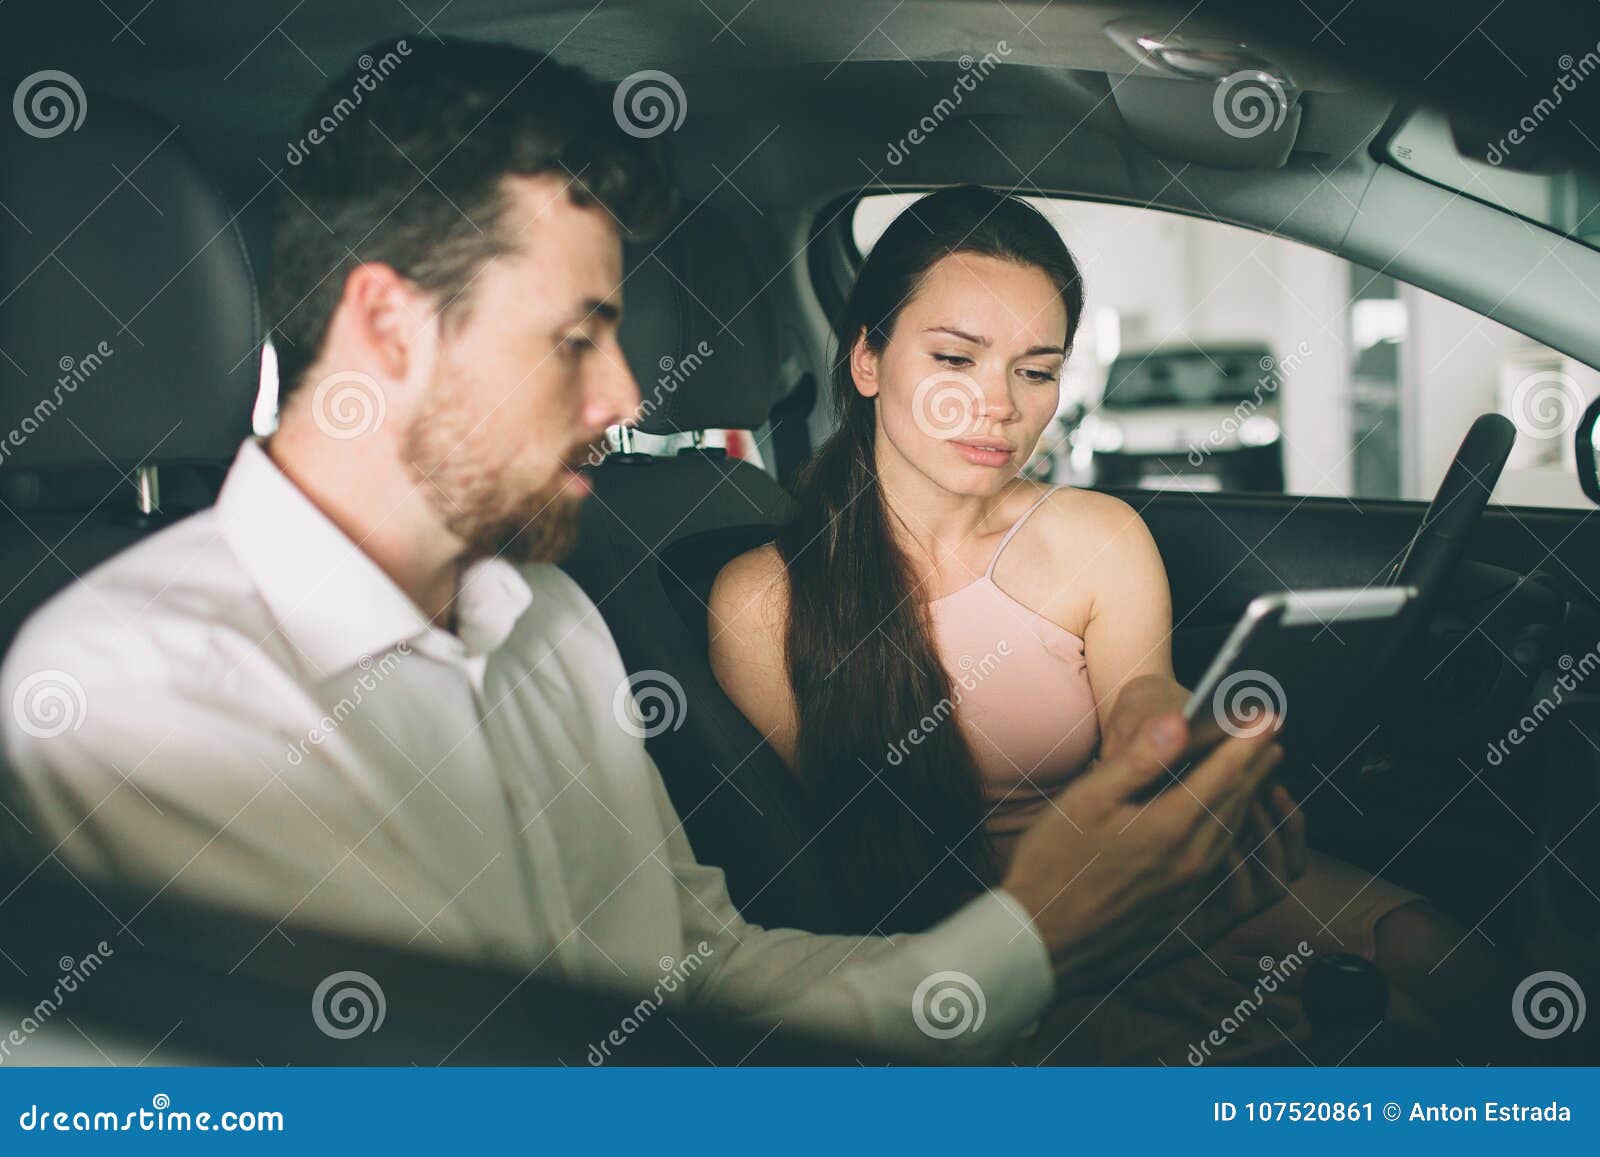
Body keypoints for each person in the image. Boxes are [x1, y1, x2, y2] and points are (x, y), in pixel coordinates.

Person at [0, 40, 1298, 1062]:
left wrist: (1028, 943)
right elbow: (491, 1087)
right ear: (391, 328)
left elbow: (702, 974)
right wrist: (1034, 936)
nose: (629, 393)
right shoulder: (139, 685)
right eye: (579, 335)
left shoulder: (551, 620)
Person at [708, 185, 1519, 1062]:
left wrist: (1182, 738)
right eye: (955, 358)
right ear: (869, 359)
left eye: (1036, 369)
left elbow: (1143, 690)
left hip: (1157, 881)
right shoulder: (763, 603)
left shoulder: (1095, 534)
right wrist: (1082, 983)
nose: (1000, 406)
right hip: (969, 951)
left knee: (1444, 965)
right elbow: (836, 886)